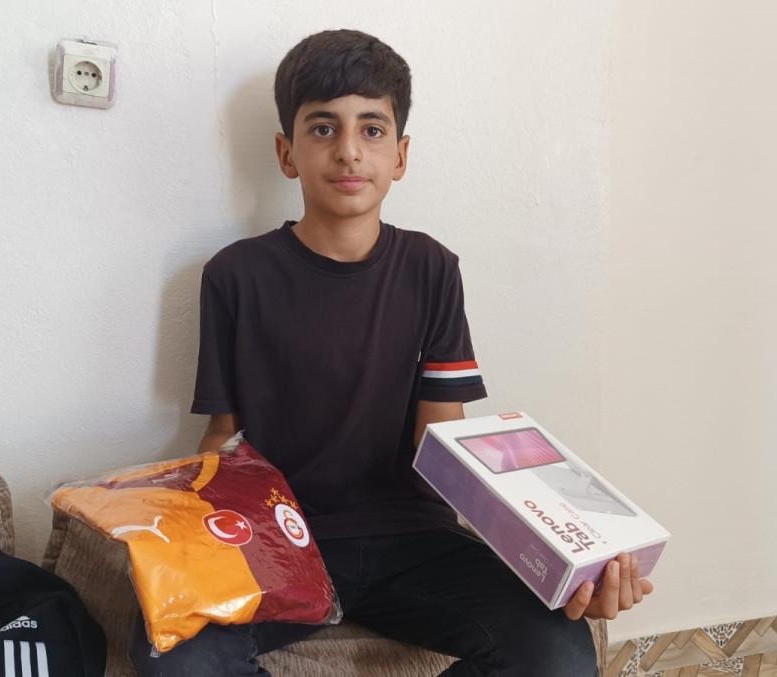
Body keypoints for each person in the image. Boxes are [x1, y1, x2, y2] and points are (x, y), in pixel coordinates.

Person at [130, 28, 653, 676]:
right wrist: (185, 540)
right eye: (323, 128)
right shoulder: (235, 276)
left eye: (371, 129)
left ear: (400, 155)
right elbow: (223, 436)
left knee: (558, 651)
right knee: (166, 651)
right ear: (286, 152)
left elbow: (446, 449)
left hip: (413, 541)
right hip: (282, 541)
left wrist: (559, 558)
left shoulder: (431, 269)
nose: (349, 150)